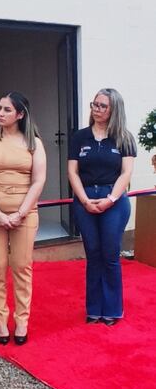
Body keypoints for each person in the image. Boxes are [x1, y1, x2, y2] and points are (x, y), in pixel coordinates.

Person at [0, 92, 46, 345]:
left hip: (25, 215)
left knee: (22, 266)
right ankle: (1, 320)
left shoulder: (34, 143)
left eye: (6, 109)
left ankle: (22, 321)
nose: (0, 113)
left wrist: (19, 213)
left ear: (20, 114)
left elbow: (38, 181)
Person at [68, 88, 136, 326]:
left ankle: (113, 310)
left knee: (110, 255)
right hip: (85, 198)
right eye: (94, 105)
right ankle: (94, 309)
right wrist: (85, 200)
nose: (96, 109)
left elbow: (126, 173)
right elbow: (72, 172)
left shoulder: (124, 138)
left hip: (114, 201)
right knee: (93, 254)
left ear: (113, 109)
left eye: (102, 106)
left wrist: (111, 199)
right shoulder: (80, 137)